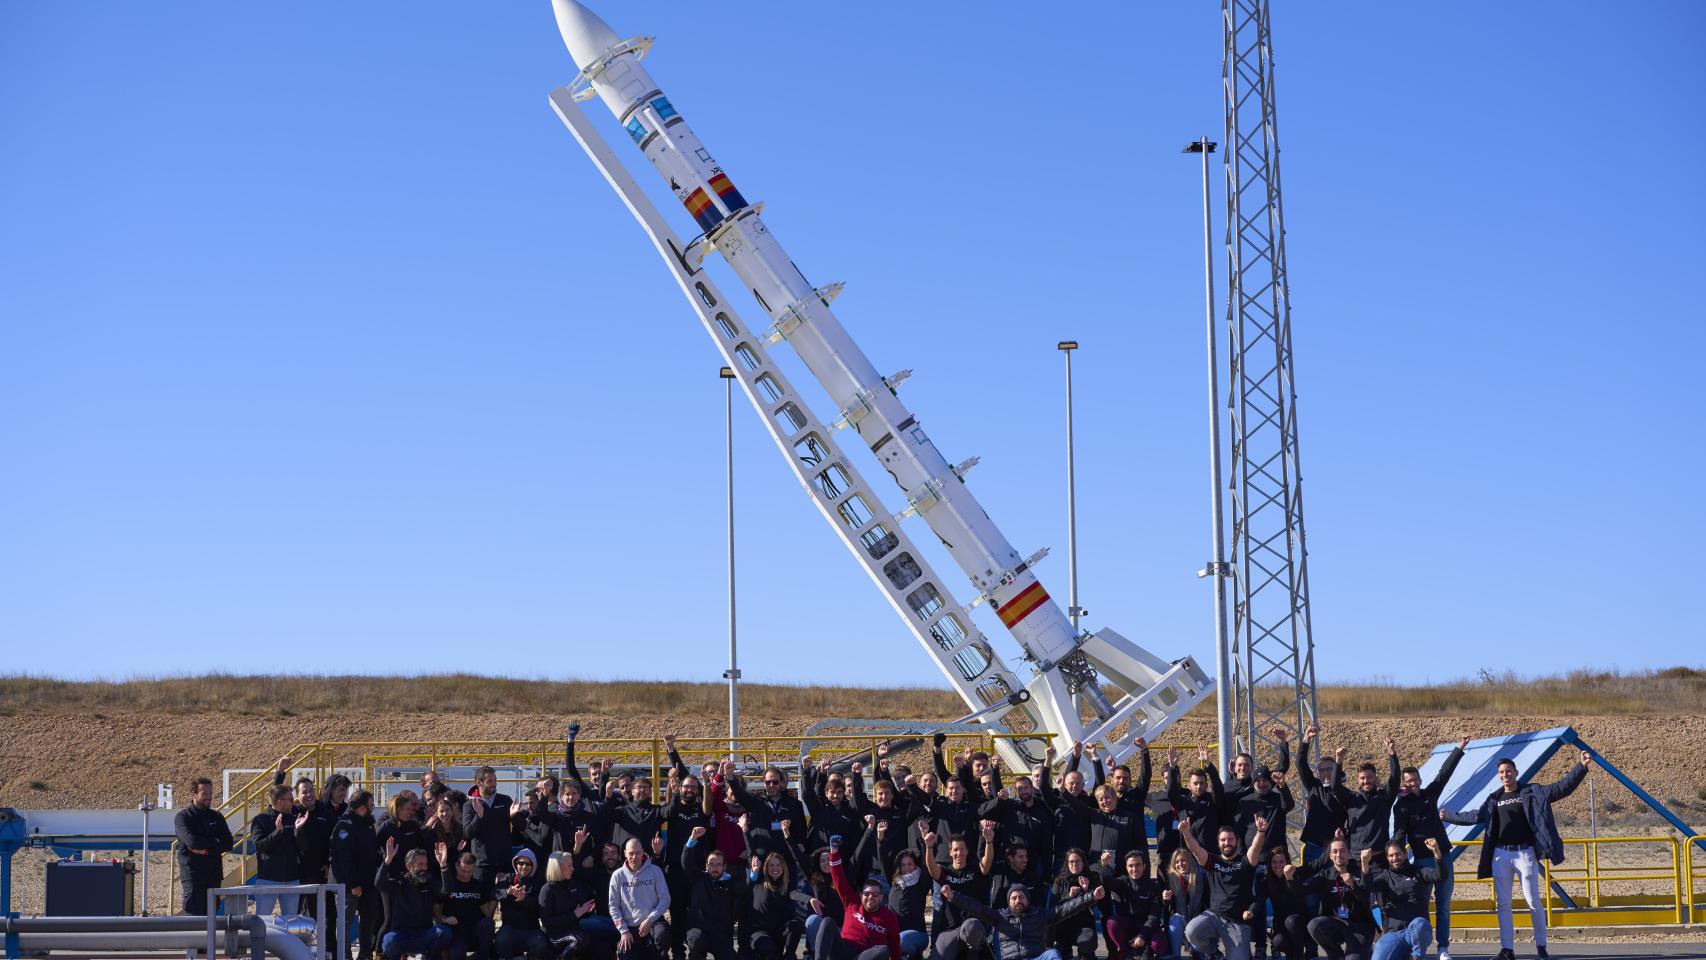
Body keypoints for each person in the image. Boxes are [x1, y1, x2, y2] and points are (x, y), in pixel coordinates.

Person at [1441, 749, 1591, 960]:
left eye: (1509, 771)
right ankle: (1507, 949)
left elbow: (1560, 789)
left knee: (1532, 901)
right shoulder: (1494, 799)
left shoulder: (1533, 792)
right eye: (1501, 772)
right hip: (1500, 855)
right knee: (1503, 903)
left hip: (1525, 853)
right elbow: (1475, 816)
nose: (1505, 774)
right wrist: (1448, 815)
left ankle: (1541, 946)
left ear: (1516, 772)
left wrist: (1581, 768)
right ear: (1499, 775)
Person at [1392, 735, 1467, 960]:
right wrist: (1394, 851)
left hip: (1443, 858)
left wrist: (1460, 747)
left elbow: (1445, 773)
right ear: (1404, 783)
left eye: (1416, 779)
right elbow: (1399, 833)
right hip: (1421, 862)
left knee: (1443, 906)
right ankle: (1419, 948)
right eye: (1409, 781)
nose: (1414, 783)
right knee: (1421, 908)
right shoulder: (1401, 806)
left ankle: (1443, 948)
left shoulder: (1429, 794)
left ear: (1420, 779)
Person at [1178, 814, 1272, 960]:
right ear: (1218, 843)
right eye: (1223, 840)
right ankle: (1214, 954)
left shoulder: (1245, 862)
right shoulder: (1211, 861)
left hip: (1237, 922)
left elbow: (1256, 848)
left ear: (1236, 841)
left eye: (1230, 839)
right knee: (1191, 931)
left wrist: (1260, 832)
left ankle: (1245, 953)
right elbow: (1195, 849)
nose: (1227, 842)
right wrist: (1186, 833)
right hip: (1214, 916)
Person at [943, 877, 1101, 960]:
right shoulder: (1000, 917)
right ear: (1009, 902)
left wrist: (1091, 896)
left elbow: (1067, 908)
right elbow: (976, 907)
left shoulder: (1040, 915)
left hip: (1037, 958)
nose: (1018, 900)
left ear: (1027, 900)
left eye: (1021, 897)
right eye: (1014, 898)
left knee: (1053, 954)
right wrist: (953, 896)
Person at [813, 835, 902, 960]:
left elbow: (894, 946)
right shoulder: (851, 902)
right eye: (867, 894)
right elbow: (838, 877)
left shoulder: (889, 916)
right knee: (828, 921)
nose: (870, 897)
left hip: (864, 956)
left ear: (881, 897)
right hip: (843, 951)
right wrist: (833, 851)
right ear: (861, 895)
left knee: (883, 950)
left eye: (875, 894)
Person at [1362, 840, 1443, 960]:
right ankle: (1405, 955)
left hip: (1415, 931)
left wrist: (1437, 852)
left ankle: (1417, 956)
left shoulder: (1418, 871)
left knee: (1420, 924)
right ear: (1387, 857)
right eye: (1391, 855)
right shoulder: (1385, 876)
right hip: (1394, 933)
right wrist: (1364, 863)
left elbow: (1440, 875)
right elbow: (1367, 887)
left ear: (1405, 854)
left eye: (1398, 854)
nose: (1395, 858)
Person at [1297, 839, 1375, 960]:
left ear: (1349, 854)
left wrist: (1353, 886)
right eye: (1335, 851)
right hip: (1338, 923)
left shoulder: (1360, 870)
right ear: (1330, 856)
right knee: (1314, 925)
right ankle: (1336, 955)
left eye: (1343, 851)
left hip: (1360, 925)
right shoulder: (1325, 875)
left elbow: (1366, 898)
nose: (1339, 855)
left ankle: (1364, 950)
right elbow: (1303, 890)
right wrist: (1289, 877)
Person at [920, 828, 991, 960]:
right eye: (956, 850)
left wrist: (989, 841)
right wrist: (929, 847)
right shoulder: (945, 873)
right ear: (950, 852)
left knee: (972, 925)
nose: (959, 853)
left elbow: (986, 864)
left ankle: (972, 954)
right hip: (950, 930)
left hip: (973, 930)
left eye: (962, 849)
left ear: (967, 851)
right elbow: (932, 868)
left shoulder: (975, 871)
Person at [376, 838, 452, 960]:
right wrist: (387, 861)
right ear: (409, 866)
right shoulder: (400, 881)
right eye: (420, 864)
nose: (424, 868)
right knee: (390, 941)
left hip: (424, 935)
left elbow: (447, 892)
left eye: (426, 864)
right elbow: (379, 884)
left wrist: (443, 865)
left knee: (444, 932)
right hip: (401, 935)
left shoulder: (429, 882)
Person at [681, 825, 746, 960]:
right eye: (711, 864)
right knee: (697, 940)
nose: (715, 868)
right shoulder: (698, 878)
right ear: (706, 866)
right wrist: (692, 839)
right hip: (699, 932)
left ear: (724, 867)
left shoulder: (731, 884)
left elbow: (741, 904)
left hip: (721, 935)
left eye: (718, 865)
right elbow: (685, 862)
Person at [331, 789, 381, 960]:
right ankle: (344, 956)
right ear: (360, 807)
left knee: (369, 919)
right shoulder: (344, 825)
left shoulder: (366, 823)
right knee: (345, 922)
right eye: (370, 805)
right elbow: (343, 859)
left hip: (368, 882)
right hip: (350, 884)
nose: (372, 808)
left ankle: (365, 955)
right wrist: (352, 884)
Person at [174, 776, 234, 916]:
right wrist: (216, 841)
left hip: (213, 875)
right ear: (194, 795)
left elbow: (229, 843)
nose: (208, 797)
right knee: (193, 916)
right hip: (193, 876)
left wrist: (207, 850)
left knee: (212, 914)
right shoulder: (183, 817)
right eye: (204, 793)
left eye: (210, 793)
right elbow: (192, 842)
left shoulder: (217, 816)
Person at [610, 837, 672, 960]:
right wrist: (624, 931)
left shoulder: (655, 871)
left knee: (662, 936)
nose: (634, 857)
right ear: (625, 853)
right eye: (631, 853)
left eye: (638, 853)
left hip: (653, 922)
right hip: (630, 927)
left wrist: (650, 920)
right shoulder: (617, 876)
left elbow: (665, 899)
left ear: (643, 852)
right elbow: (613, 907)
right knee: (624, 951)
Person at [1296, 726, 1351, 866]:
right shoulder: (1314, 786)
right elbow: (1301, 764)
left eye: (1329, 769)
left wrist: (1345, 840)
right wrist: (1306, 739)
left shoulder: (1345, 793)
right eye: (1321, 770)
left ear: (1337, 769)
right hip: (1313, 847)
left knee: (1334, 885)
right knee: (1310, 884)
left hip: (1335, 849)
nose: (1325, 773)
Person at [743, 850, 809, 960]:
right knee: (768, 949)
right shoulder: (759, 880)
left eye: (778, 865)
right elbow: (749, 885)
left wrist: (809, 899)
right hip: (760, 932)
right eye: (771, 865)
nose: (775, 868)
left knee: (796, 925)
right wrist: (754, 871)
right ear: (766, 867)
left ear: (783, 868)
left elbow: (794, 894)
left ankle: (789, 956)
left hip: (778, 931)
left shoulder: (786, 885)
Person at [1102, 850, 1167, 960]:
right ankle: (1128, 953)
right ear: (1126, 867)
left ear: (1144, 866)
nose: (1134, 869)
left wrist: (1142, 936)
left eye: (1138, 865)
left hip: (1147, 926)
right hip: (1128, 925)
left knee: (1159, 945)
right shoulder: (1122, 882)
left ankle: (1147, 950)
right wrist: (1104, 865)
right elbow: (1107, 881)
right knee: (1111, 923)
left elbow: (1154, 916)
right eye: (1130, 866)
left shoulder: (1154, 886)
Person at [251, 784, 304, 917]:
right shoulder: (261, 820)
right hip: (268, 879)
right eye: (290, 800)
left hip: (291, 878)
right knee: (262, 921)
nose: (293, 802)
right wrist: (278, 832)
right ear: (280, 802)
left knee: (291, 921)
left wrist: (299, 831)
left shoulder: (294, 819)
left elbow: (302, 847)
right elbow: (259, 846)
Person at [540, 851, 602, 959]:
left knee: (602, 948)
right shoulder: (547, 890)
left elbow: (581, 912)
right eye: (569, 865)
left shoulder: (574, 884)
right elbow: (547, 921)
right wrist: (574, 915)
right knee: (578, 940)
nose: (573, 869)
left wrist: (588, 910)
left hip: (575, 930)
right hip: (555, 935)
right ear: (558, 867)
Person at [462, 766, 515, 890]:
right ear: (479, 782)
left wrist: (515, 816)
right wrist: (479, 816)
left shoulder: (505, 800)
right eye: (490, 781)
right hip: (482, 865)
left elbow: (518, 826)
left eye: (495, 780)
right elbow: (468, 833)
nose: (494, 784)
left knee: (508, 903)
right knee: (483, 906)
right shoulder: (469, 805)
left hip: (504, 862)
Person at [1166, 747, 1225, 858]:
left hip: (1210, 855)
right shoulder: (1182, 801)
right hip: (1188, 856)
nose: (1199, 786)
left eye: (1202, 783)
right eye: (1195, 783)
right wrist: (1172, 767)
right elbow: (1170, 792)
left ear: (1206, 784)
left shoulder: (1212, 800)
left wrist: (1208, 764)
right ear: (1189, 785)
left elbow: (1218, 788)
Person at [437, 850, 495, 960]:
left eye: (470, 871)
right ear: (456, 866)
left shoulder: (478, 885)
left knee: (488, 923)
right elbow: (436, 913)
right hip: (456, 933)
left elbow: (488, 913)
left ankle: (483, 957)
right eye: (463, 870)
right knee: (456, 955)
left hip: (475, 932)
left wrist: (498, 891)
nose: (466, 875)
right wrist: (445, 919)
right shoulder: (448, 885)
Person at [494, 849, 548, 960]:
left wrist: (524, 899)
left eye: (528, 864)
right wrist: (507, 892)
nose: (524, 867)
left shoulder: (538, 882)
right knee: (501, 939)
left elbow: (538, 906)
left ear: (533, 865)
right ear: (515, 864)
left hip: (531, 930)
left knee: (541, 943)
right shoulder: (508, 877)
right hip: (510, 929)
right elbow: (494, 893)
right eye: (521, 863)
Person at [1260, 849, 1313, 960]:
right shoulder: (1266, 881)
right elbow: (1258, 900)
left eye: (1281, 861)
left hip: (1301, 923)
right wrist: (1249, 910)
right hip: (1282, 925)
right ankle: (1291, 956)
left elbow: (1318, 864)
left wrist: (1333, 844)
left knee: (1292, 921)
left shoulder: (1296, 873)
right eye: (1274, 862)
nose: (1278, 865)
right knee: (1279, 942)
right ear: (1270, 864)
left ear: (1287, 862)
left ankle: (1299, 956)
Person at [1048, 849, 1099, 960]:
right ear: (1067, 863)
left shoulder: (1092, 877)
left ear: (1083, 862)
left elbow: (1096, 905)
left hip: (1084, 925)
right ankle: (1063, 948)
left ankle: (1085, 952)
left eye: (1077, 861)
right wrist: (1069, 897)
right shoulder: (1059, 880)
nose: (1074, 864)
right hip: (1063, 926)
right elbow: (1053, 907)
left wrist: (1086, 891)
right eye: (1071, 862)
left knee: (1087, 942)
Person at [1163, 847, 1207, 960]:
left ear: (1189, 861)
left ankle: (1196, 950)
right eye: (1177, 862)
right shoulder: (1171, 879)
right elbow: (1166, 909)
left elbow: (1206, 902)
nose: (1180, 864)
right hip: (1180, 920)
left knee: (1199, 953)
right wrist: (1166, 900)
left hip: (1197, 918)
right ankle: (1175, 955)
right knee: (1175, 921)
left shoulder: (1200, 877)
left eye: (1183, 860)